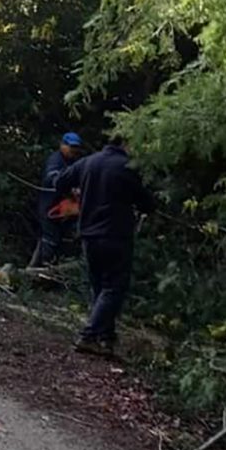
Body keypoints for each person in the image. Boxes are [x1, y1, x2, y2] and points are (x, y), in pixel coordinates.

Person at [55, 136, 155, 356]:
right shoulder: (127, 167)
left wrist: (75, 195)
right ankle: (88, 336)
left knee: (100, 287)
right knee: (113, 288)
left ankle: (105, 339)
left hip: (89, 235)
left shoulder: (88, 162)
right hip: (115, 235)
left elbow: (59, 182)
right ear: (126, 144)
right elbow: (147, 203)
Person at [28, 132, 84, 268]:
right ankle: (43, 267)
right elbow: (52, 178)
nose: (74, 150)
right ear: (62, 145)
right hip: (50, 207)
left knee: (66, 237)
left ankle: (56, 266)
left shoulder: (76, 161)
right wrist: (68, 187)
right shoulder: (55, 160)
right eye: (71, 147)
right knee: (50, 238)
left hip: (67, 209)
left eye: (76, 147)